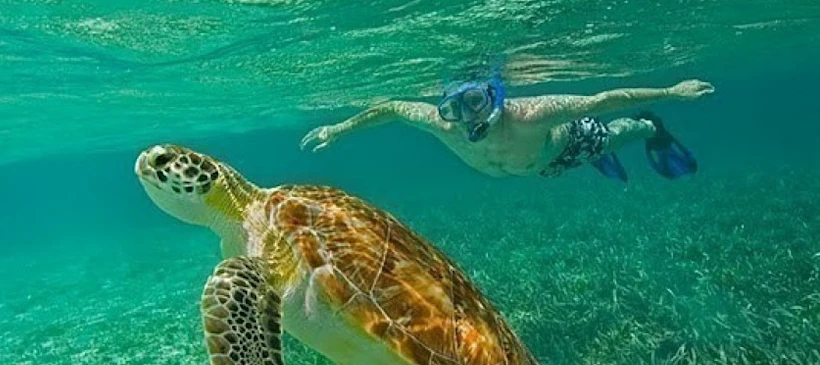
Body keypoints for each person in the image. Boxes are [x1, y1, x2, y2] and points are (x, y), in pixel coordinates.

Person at [300, 73, 714, 182]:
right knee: (581, 155)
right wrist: (339, 128)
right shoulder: (442, 127)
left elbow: (602, 101)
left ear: (494, 96)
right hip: (541, 166)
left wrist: (672, 92)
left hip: (571, 144)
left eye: (476, 102)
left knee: (614, 136)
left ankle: (651, 127)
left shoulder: (532, 114)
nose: (469, 117)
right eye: (455, 107)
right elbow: (391, 107)